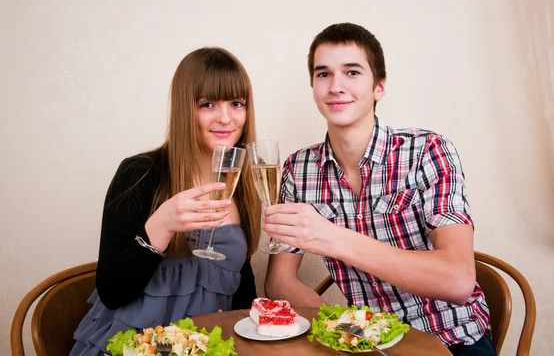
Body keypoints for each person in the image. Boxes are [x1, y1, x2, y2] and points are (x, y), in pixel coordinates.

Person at [263, 23, 496, 355]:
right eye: (323, 74)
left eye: (352, 72)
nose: (336, 86)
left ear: (379, 87)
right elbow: (278, 282)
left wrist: (331, 237)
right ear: (313, 87)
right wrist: (344, 331)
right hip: (367, 345)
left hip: (450, 340)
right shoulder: (298, 170)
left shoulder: (428, 150)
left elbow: (458, 281)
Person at [71, 47, 262, 355]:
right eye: (208, 104)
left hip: (204, 346)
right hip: (135, 345)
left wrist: (245, 327)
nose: (225, 117)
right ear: (185, 109)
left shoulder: (240, 183)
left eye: (236, 103)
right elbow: (112, 292)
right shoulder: (140, 174)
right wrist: (160, 227)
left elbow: (242, 282)